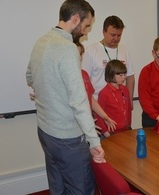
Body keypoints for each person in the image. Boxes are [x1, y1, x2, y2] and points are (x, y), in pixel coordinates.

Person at [25, 1, 105, 194]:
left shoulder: (41, 41)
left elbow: (30, 76)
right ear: (75, 18)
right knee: (82, 190)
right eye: (86, 26)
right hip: (67, 138)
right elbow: (78, 101)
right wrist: (94, 142)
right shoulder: (68, 48)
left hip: (45, 132)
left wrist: (48, 91)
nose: (86, 32)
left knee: (58, 188)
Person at [81, 15, 135, 111]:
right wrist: (89, 105)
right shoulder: (91, 51)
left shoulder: (124, 49)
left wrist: (130, 100)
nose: (116, 38)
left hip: (120, 105)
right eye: (113, 35)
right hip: (99, 105)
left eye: (119, 35)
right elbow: (84, 81)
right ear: (104, 32)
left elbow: (130, 76)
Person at [75, 40, 117, 132]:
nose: (80, 58)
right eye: (76, 54)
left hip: (87, 122)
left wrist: (105, 117)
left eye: (81, 54)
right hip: (74, 126)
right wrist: (86, 123)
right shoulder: (68, 77)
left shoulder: (84, 75)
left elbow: (90, 98)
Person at [95, 59, 131, 137]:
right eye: (120, 75)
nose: (124, 78)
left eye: (125, 74)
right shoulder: (104, 93)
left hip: (126, 130)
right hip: (111, 133)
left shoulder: (125, 89)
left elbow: (128, 110)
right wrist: (106, 133)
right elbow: (99, 116)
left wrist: (129, 125)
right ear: (111, 74)